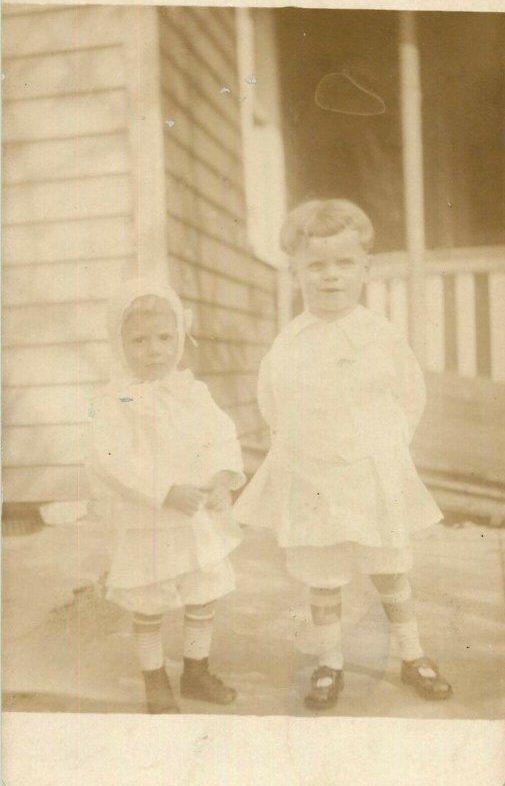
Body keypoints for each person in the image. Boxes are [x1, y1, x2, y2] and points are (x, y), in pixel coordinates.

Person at [234, 199, 452, 710]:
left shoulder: (380, 336)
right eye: (316, 265)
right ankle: (329, 661)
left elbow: (409, 395)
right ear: (295, 273)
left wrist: (386, 447)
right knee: (322, 572)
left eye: (343, 263)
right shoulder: (289, 344)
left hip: (372, 470)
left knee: (390, 566)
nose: (330, 276)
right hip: (314, 475)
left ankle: (411, 653)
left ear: (365, 268)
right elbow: (273, 403)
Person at [87, 278, 245, 714]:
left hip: (194, 518)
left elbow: (220, 436)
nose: (154, 349)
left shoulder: (193, 392)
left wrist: (220, 477)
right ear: (119, 344)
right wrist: (163, 490)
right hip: (149, 520)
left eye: (163, 337)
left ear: (180, 337)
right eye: (139, 340)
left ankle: (196, 671)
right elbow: (110, 459)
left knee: (202, 591)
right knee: (149, 599)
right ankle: (154, 678)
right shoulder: (113, 400)